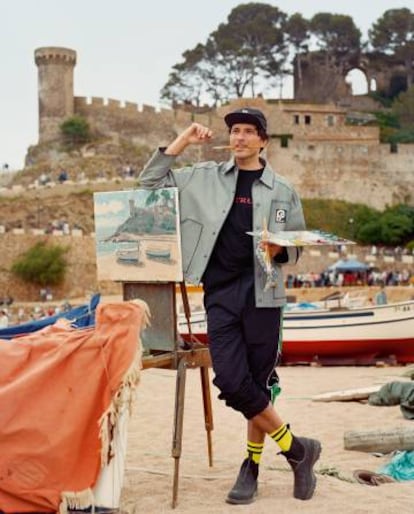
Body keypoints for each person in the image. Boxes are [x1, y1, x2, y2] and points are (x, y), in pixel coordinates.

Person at [139, 107, 321, 504]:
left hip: (264, 293)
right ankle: (297, 450)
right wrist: (183, 140)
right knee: (231, 381)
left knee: (256, 386)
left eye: (248, 131)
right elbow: (148, 183)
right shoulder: (203, 178)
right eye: (234, 130)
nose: (239, 137)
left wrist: (281, 250)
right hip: (218, 293)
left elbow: (297, 247)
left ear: (262, 141)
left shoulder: (283, 189)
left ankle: (251, 467)